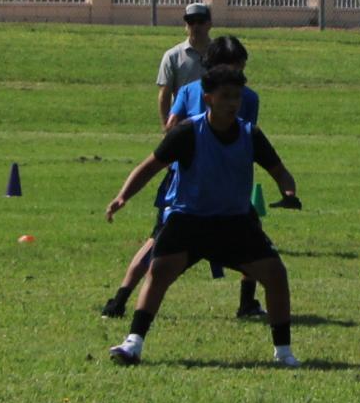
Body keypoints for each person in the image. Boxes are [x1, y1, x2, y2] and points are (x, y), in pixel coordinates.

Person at [103, 65, 303, 367]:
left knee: (276, 275)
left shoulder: (251, 134)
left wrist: (289, 193)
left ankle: (284, 353)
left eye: (237, 96)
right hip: (189, 220)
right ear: (208, 98)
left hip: (234, 223)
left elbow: (280, 172)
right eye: (225, 96)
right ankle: (133, 343)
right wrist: (122, 196)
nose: (233, 103)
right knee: (159, 273)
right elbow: (149, 167)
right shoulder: (187, 132)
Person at [101, 34, 264, 319]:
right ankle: (247, 303)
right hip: (212, 186)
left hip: (185, 182)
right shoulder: (246, 97)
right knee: (251, 243)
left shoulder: (189, 91)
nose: (237, 76)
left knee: (159, 242)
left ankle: (119, 300)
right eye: (236, 68)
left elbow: (172, 127)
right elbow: (244, 137)